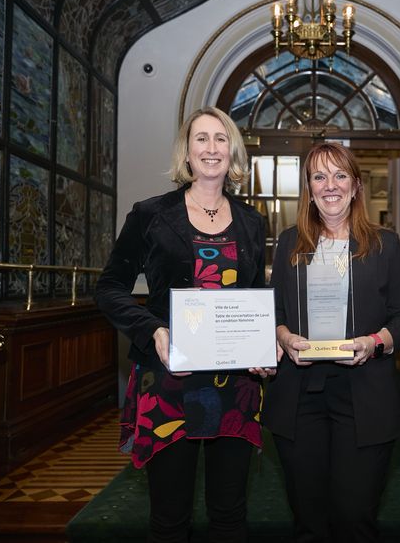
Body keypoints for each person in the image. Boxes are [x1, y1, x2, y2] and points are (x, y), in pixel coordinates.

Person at [95, 106, 275, 543]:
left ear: (231, 151)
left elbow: (255, 300)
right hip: (169, 381)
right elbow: (110, 288)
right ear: (187, 151)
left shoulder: (253, 222)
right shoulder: (151, 214)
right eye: (201, 138)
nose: (211, 148)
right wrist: (152, 328)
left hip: (235, 385)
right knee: (170, 516)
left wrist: (263, 350)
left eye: (220, 138)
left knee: (230, 514)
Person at [263, 142, 400, 542]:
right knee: (308, 520)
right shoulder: (290, 241)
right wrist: (283, 335)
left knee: (354, 517)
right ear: (308, 187)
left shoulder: (385, 245)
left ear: (357, 185)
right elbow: (273, 313)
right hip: (299, 396)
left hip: (364, 397)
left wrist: (376, 340)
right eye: (319, 176)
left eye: (340, 175)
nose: (331, 185)